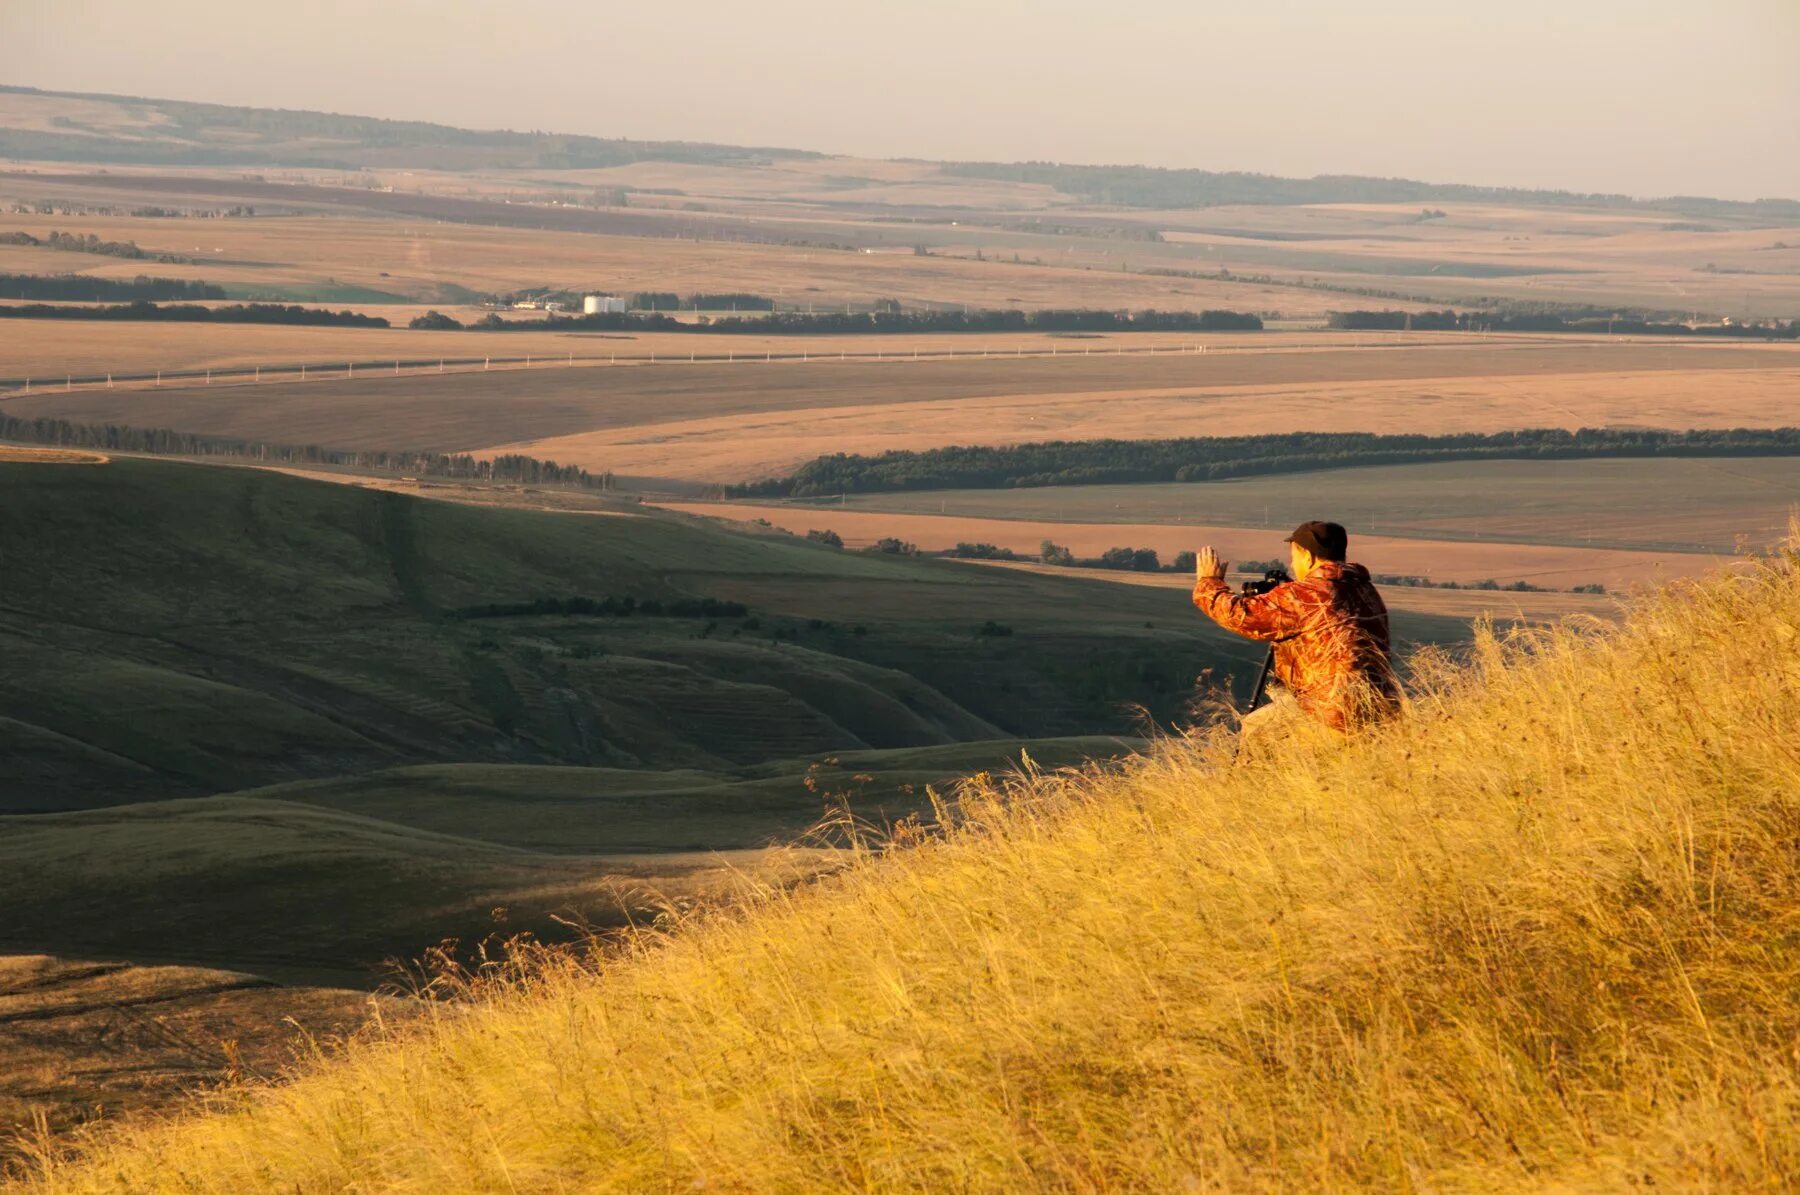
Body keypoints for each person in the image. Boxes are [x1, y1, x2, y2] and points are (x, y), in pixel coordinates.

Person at [1190, 520, 1400, 742]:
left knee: (1257, 728)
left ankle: (1252, 778)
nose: (1292, 564)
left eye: (1294, 557)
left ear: (1308, 558)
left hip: (1331, 713)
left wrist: (1209, 583)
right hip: (1380, 708)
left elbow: (1240, 616)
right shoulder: (1364, 589)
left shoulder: (1307, 594)